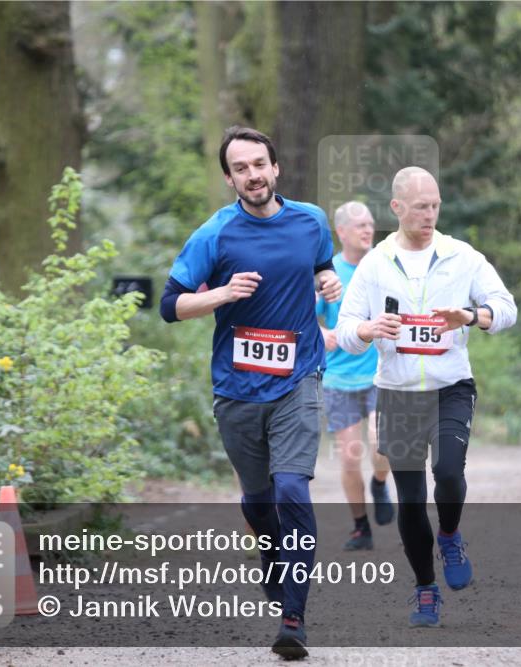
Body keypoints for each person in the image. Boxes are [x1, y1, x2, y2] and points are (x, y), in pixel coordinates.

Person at [160, 126, 341, 659]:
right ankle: (269, 550)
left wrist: (328, 281)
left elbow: (321, 267)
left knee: (291, 489)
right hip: (237, 389)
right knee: (259, 500)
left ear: (276, 167)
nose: (253, 175)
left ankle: (294, 618)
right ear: (229, 178)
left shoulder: (310, 220)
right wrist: (221, 293)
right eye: (241, 168)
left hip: (299, 378)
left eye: (259, 164)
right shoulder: (216, 234)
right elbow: (170, 305)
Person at [335, 166, 517, 628]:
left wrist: (472, 316)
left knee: (449, 474)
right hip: (397, 393)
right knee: (412, 499)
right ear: (397, 208)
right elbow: (345, 328)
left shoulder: (461, 256)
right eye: (420, 207)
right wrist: (367, 328)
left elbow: (507, 307)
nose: (430, 215)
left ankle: (451, 534)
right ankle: (424, 589)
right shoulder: (375, 263)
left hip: (450, 387)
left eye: (435, 206)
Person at [316, 201, 395, 551]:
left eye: (371, 223)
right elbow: (305, 318)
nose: (368, 230)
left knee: (382, 443)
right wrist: (323, 335)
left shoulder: (385, 265)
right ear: (342, 232)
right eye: (360, 225)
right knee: (349, 455)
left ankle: (380, 481)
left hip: (381, 373)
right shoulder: (327, 272)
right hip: (338, 377)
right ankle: (360, 527)